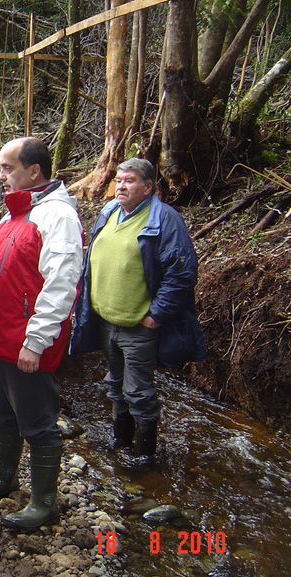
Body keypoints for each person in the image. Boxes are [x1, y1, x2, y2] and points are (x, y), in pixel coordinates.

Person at [0, 137, 83, 531]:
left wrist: (36, 342)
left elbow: (61, 284)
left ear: (34, 171)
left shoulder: (56, 217)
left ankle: (44, 502)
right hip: (1, 340)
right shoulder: (12, 215)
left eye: (7, 168)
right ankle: (5, 479)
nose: (0, 176)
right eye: (0, 168)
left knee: (38, 423)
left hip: (26, 344)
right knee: (2, 414)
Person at [69, 158, 205, 462]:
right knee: (114, 384)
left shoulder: (166, 219)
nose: (121, 186)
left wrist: (156, 316)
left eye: (129, 181)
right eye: (118, 180)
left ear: (148, 187)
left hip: (139, 324)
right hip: (105, 321)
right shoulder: (109, 212)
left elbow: (182, 273)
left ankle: (145, 455)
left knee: (138, 390)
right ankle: (120, 442)